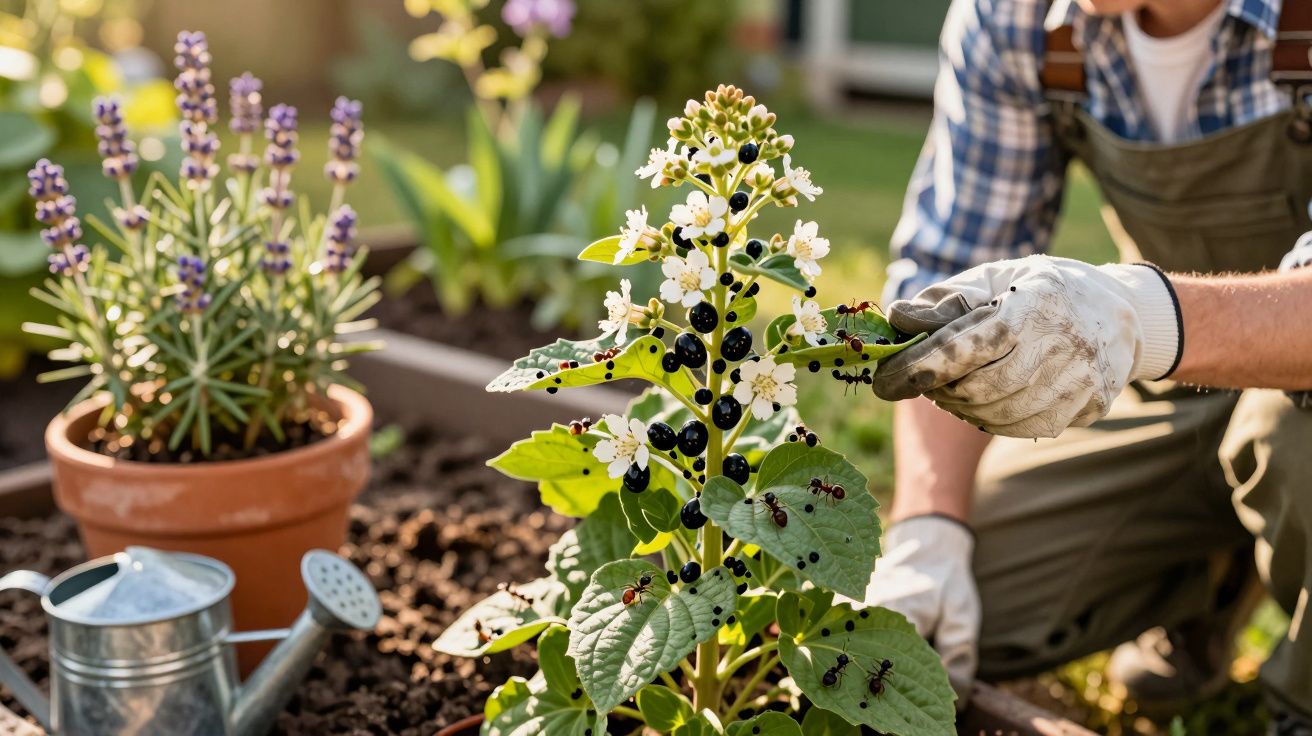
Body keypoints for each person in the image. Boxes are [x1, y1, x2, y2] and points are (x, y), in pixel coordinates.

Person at [862, 0, 1312, 731]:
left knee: (1285, 438)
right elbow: (947, 274)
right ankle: (1211, 577)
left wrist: (1139, 316)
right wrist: (930, 528)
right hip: (1172, 384)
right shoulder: (1016, 20)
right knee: (981, 596)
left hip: (1299, 393)